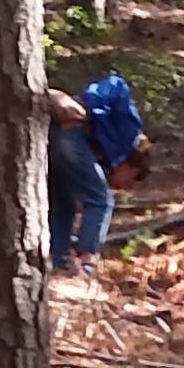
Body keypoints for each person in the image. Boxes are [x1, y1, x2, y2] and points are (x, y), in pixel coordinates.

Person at [44, 73, 148, 275]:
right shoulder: (131, 133)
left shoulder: (105, 156)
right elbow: (116, 84)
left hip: (57, 136)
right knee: (101, 201)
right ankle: (85, 264)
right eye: (129, 183)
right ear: (133, 169)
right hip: (71, 133)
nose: (123, 187)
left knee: (63, 204)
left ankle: (56, 261)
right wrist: (86, 107)